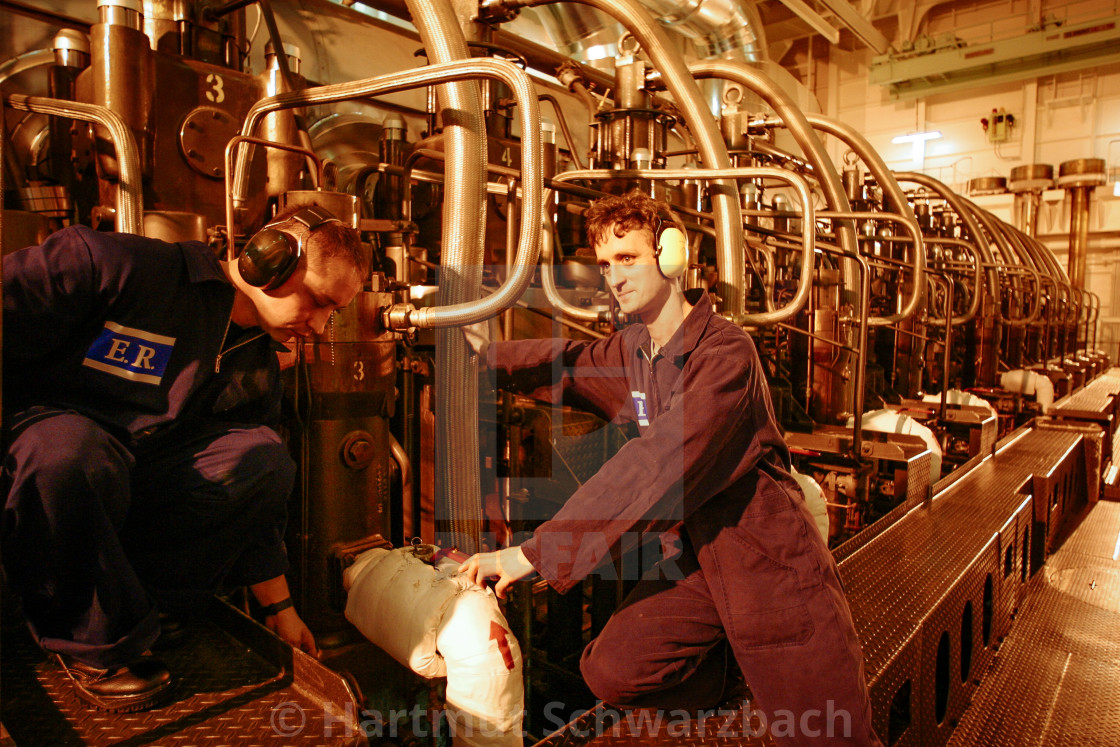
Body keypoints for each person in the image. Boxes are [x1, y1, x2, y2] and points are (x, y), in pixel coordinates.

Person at [458, 190, 882, 746]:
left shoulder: (726, 354)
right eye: (606, 264)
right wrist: (472, 360)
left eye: (628, 258)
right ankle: (733, 672)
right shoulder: (634, 350)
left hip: (762, 555)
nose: (614, 276)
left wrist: (536, 552)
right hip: (695, 560)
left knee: (831, 734)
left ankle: (763, 672)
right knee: (608, 671)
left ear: (671, 255)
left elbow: (657, 466)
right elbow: (566, 362)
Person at [1, 204, 365, 713]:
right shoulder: (119, 267)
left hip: (126, 487)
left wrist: (280, 608)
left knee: (263, 461)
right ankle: (87, 641)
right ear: (269, 260)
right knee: (71, 450)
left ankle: (144, 612)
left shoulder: (254, 363)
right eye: (321, 302)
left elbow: (259, 514)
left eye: (335, 313)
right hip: (46, 461)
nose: (323, 327)